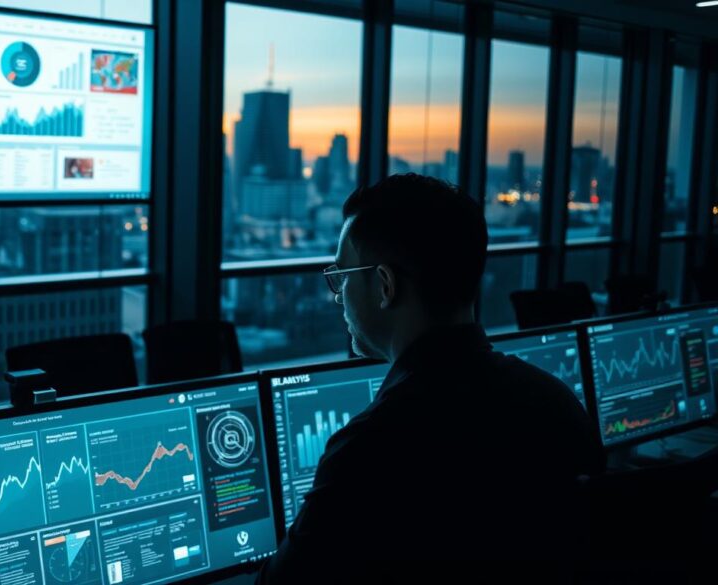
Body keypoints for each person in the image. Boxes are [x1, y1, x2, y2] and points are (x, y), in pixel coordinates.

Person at [256, 174, 604, 583]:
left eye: (343, 275)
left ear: (385, 285)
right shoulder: (557, 403)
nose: (338, 294)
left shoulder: (370, 450)